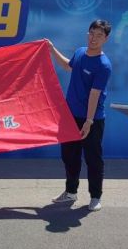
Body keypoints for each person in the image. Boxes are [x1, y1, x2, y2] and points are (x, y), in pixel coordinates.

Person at [48, 19, 112, 212]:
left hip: (92, 119)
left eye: (99, 35)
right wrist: (52, 49)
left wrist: (89, 121)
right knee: (69, 156)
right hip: (70, 116)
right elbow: (68, 66)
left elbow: (94, 94)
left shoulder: (103, 65)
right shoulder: (80, 52)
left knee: (93, 159)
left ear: (106, 39)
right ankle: (70, 192)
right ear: (87, 34)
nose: (94, 38)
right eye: (92, 33)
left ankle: (95, 197)